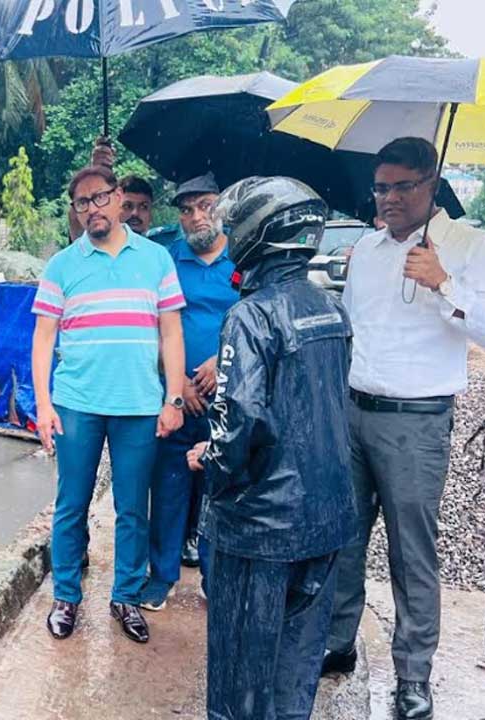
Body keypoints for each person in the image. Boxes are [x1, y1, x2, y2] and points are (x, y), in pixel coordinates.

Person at [324, 137, 485, 720]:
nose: (390, 198)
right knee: (344, 538)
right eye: (382, 187)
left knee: (412, 554)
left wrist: (443, 284)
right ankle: (338, 640)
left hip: (417, 423)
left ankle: (413, 675)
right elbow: (353, 328)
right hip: (354, 413)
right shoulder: (369, 249)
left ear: (433, 181)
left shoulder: (473, 246)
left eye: (403, 186)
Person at [187, 176, 355, 719]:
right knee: (295, 674)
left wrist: (208, 459)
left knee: (240, 683)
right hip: (327, 521)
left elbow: (239, 424)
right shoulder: (332, 312)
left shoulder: (251, 316)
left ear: (257, 235)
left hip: (260, 531)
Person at [33, 164, 187, 644]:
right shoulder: (62, 266)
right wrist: (43, 405)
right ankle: (66, 596)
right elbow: (42, 340)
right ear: (75, 212)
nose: (92, 209)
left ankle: (125, 595)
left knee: (132, 507)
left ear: (119, 198)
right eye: (82, 203)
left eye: (100, 198)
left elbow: (171, 331)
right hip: (77, 403)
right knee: (71, 504)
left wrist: (174, 398)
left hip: (139, 404)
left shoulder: (156, 260)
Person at [138, 173, 238, 612]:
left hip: (230, 395)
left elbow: (255, 315)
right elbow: (151, 324)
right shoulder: (164, 259)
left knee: (223, 489)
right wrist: (175, 382)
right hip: (175, 395)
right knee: (169, 484)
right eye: (186, 208)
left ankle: (216, 579)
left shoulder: (243, 259)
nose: (196, 216)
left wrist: (223, 359)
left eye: (206, 206)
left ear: (222, 209)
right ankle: (161, 576)